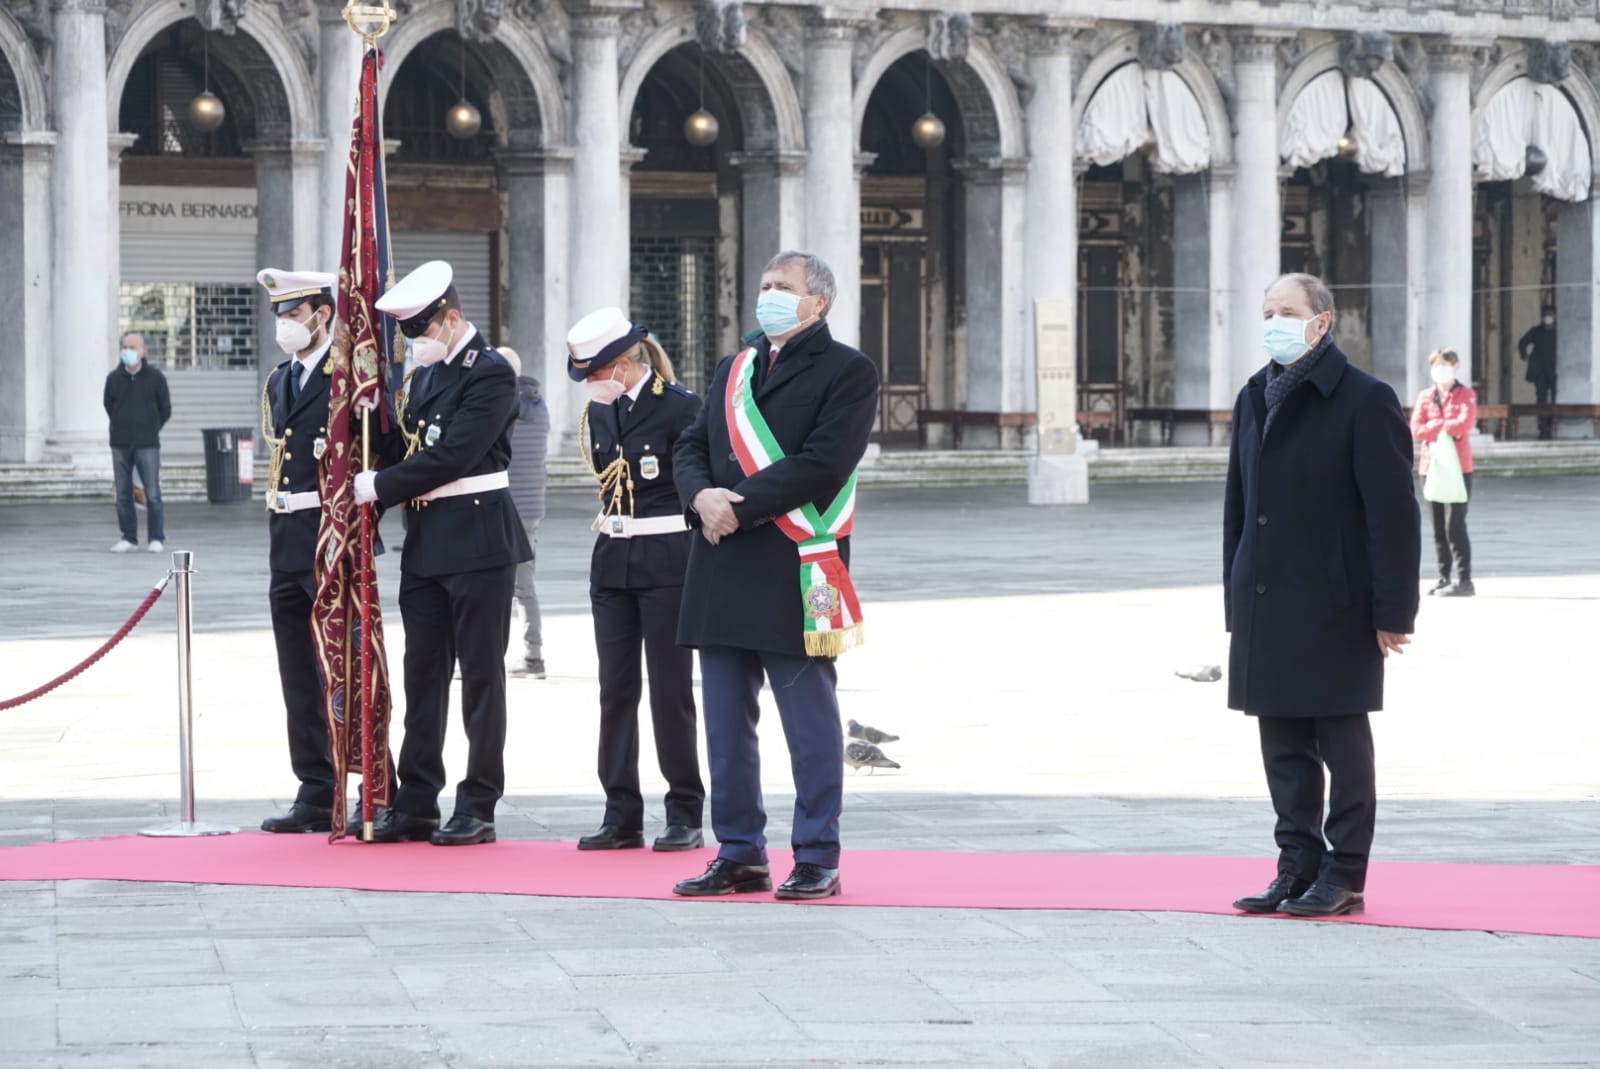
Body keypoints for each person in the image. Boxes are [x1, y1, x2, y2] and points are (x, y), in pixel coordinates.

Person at [670, 251, 879, 901]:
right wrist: (701, 497)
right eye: (764, 286)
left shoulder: (849, 370)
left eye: (782, 288)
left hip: (793, 561)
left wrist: (738, 506)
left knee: (808, 720)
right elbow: (691, 444)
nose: (768, 296)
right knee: (725, 724)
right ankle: (739, 851)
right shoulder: (735, 367)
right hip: (720, 559)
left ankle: (817, 853)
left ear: (818, 301)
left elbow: (824, 463)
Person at [1223, 272, 1420, 918]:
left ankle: (1344, 871)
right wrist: (1235, 599)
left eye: (1287, 311)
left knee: (1340, 740)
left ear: (1321, 321)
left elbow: (1393, 515)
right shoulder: (1255, 396)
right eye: (1267, 311)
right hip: (1265, 598)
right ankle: (1295, 863)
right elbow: (1238, 506)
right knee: (1281, 742)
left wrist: (1393, 611)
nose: (1273, 321)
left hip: (1336, 604)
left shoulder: (1364, 399)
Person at [353, 260, 532, 846]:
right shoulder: (422, 377)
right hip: (427, 542)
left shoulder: (490, 374)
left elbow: (455, 455)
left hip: (479, 540)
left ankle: (478, 801)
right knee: (422, 676)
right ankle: (417, 798)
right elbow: (402, 441)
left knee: (481, 679)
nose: (414, 345)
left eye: (421, 332)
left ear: (451, 319)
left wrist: (381, 487)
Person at [567, 307, 706, 854]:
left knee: (671, 691)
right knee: (615, 690)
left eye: (595, 373)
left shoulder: (680, 408)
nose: (591, 385)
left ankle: (684, 811)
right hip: (613, 557)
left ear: (622, 365)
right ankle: (620, 811)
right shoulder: (599, 414)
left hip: (667, 556)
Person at [253, 269, 341, 833]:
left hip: (330, 534)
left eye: (294, 315)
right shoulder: (282, 379)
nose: (285, 326)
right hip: (287, 534)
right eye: (280, 316)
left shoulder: (347, 378)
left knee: (345, 666)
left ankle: (375, 781)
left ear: (322, 315)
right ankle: (314, 786)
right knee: (297, 670)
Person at [1410, 348, 1478, 598]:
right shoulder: (1426, 396)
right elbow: (1416, 428)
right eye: (1437, 365)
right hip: (1431, 467)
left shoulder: (1465, 394)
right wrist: (1441, 428)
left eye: (1445, 364)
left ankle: (1464, 579)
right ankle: (1443, 576)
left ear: (1456, 366)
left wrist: (1435, 426)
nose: (1441, 369)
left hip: (1459, 469)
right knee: (1438, 527)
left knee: (1455, 525)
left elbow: (1464, 422)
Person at [498, 346, 549, 679]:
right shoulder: (538, 406)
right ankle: (531, 655)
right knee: (523, 584)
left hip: (506, 506)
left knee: (507, 587)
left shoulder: (503, 406)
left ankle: (532, 659)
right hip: (532, 507)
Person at [103, 332, 170, 553]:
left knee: (152, 493)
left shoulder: (155, 378)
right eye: (125, 347)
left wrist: (150, 428)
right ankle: (128, 537)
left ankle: (156, 538)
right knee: (123, 493)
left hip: (148, 444)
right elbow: (109, 405)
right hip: (120, 444)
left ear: (143, 351)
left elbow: (165, 409)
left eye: (132, 347)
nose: (128, 351)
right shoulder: (114, 379)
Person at [1518, 307, 1557, 439]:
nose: (1548, 318)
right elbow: (1522, 342)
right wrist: (1525, 356)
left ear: (1555, 316)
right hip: (1540, 372)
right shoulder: (1536, 331)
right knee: (1541, 400)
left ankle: (1551, 428)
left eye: (1550, 315)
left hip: (1554, 371)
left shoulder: (1558, 332)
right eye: (1546, 315)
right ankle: (1543, 429)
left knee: (1556, 400)